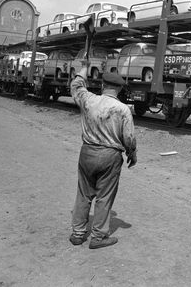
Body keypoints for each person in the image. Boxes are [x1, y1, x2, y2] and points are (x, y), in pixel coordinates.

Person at [68, 67, 137, 249]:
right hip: (110, 156)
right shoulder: (123, 110)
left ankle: (78, 234)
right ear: (120, 89)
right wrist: (132, 153)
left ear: (102, 85)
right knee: (104, 197)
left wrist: (83, 70)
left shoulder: (89, 100)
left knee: (83, 194)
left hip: (87, 152)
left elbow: (76, 87)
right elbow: (129, 138)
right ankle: (98, 237)